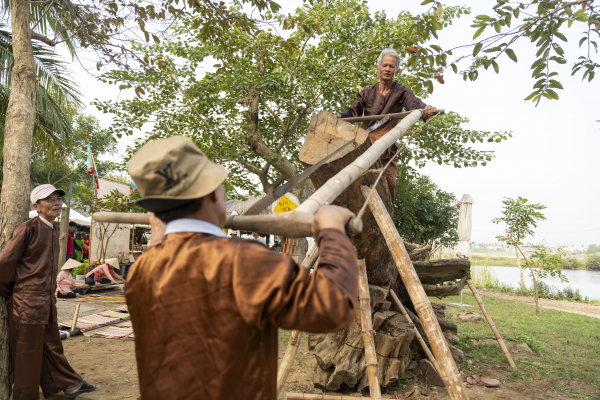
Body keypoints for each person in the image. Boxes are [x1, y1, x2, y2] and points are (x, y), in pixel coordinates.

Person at [125, 136, 358, 399]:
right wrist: (332, 231)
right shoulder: (246, 261)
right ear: (213, 194)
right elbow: (334, 307)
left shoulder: (140, 270)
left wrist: (162, 238)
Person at [0, 184, 95, 399]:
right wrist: (12, 293)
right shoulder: (27, 228)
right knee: (26, 354)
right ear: (36, 206)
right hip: (26, 302)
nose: (58, 203)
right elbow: (4, 263)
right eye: (50, 199)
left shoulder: (53, 229)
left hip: (46, 301)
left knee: (52, 344)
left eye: (58, 199)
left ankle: (69, 384)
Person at [336, 48, 437, 202]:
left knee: (389, 184)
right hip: (364, 146)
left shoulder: (403, 92)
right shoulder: (366, 93)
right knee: (350, 183)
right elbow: (352, 112)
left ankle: (388, 217)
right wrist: (338, 117)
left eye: (391, 66)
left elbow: (415, 105)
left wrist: (426, 109)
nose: (387, 69)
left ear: (397, 71)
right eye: (384, 65)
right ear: (378, 69)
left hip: (387, 149)